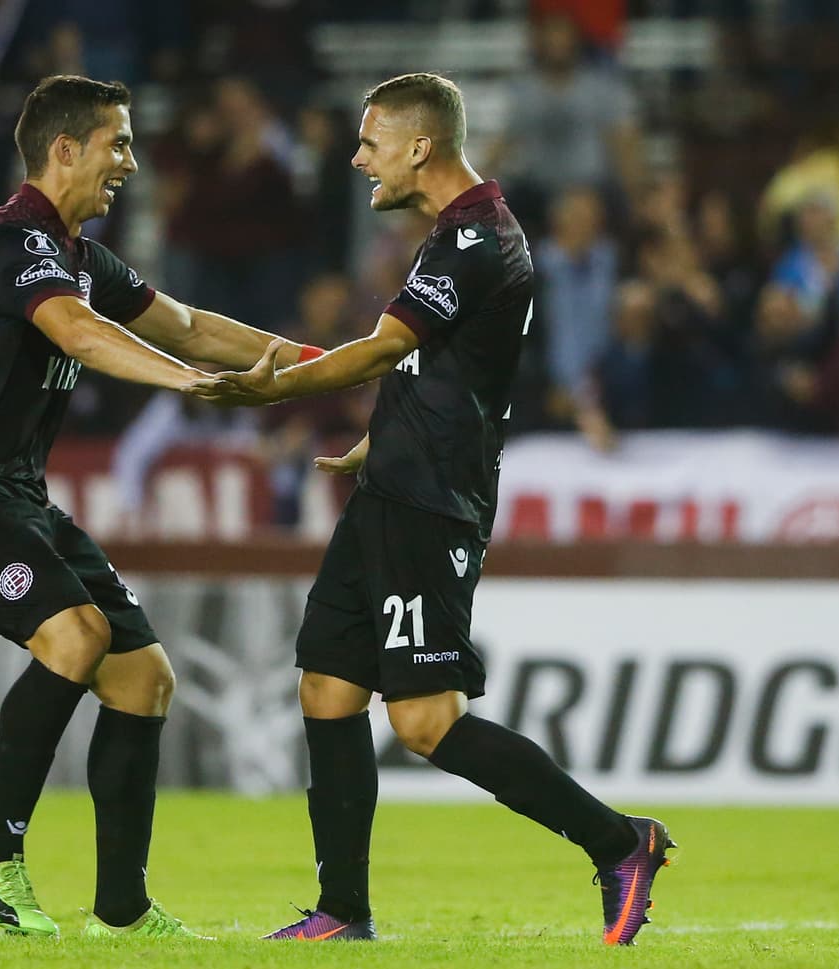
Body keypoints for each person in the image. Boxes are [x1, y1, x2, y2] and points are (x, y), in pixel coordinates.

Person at [190, 73, 675, 945]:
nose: (357, 157)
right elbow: (452, 370)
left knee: (423, 721)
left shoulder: (476, 241)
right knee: (328, 686)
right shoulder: (456, 234)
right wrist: (385, 438)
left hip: (431, 504)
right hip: (391, 487)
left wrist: (266, 393)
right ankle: (343, 910)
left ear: (420, 147)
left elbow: (384, 350)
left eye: (370, 141)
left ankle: (619, 840)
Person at [0, 75, 320, 941]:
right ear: (64, 148)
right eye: (116, 143)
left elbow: (192, 325)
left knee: (142, 676)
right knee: (77, 636)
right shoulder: (13, 242)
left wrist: (330, 361)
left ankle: (121, 910)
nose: (129, 161)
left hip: (18, 498)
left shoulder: (81, 258)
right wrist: (192, 386)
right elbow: (81, 333)